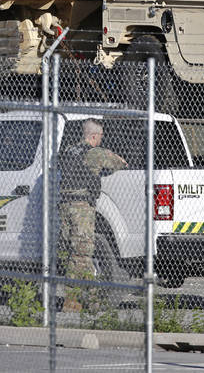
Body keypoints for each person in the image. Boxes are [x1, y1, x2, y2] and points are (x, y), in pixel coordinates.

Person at [57, 118, 128, 311]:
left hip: (64, 205)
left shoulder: (69, 151)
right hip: (82, 207)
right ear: (94, 136)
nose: (101, 139)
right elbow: (119, 163)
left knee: (74, 251)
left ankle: (86, 299)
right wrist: (120, 161)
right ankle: (74, 300)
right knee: (83, 252)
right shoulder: (95, 153)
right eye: (101, 136)